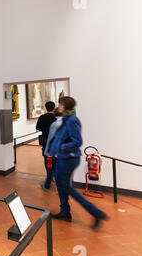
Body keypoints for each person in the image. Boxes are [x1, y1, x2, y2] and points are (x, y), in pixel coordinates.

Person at [47, 97, 109, 230]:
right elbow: (59, 138)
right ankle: (65, 213)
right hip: (62, 157)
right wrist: (53, 150)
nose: (59, 106)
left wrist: (62, 148)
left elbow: (77, 141)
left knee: (65, 186)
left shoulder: (72, 120)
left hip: (69, 158)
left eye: (60, 104)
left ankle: (96, 212)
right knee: (60, 184)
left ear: (65, 106)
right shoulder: (64, 119)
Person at [36, 101, 56, 190]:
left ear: (46, 108)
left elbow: (38, 127)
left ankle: (49, 176)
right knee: (55, 159)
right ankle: (54, 177)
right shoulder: (56, 118)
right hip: (55, 140)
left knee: (46, 158)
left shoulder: (42, 117)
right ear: (54, 108)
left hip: (45, 140)